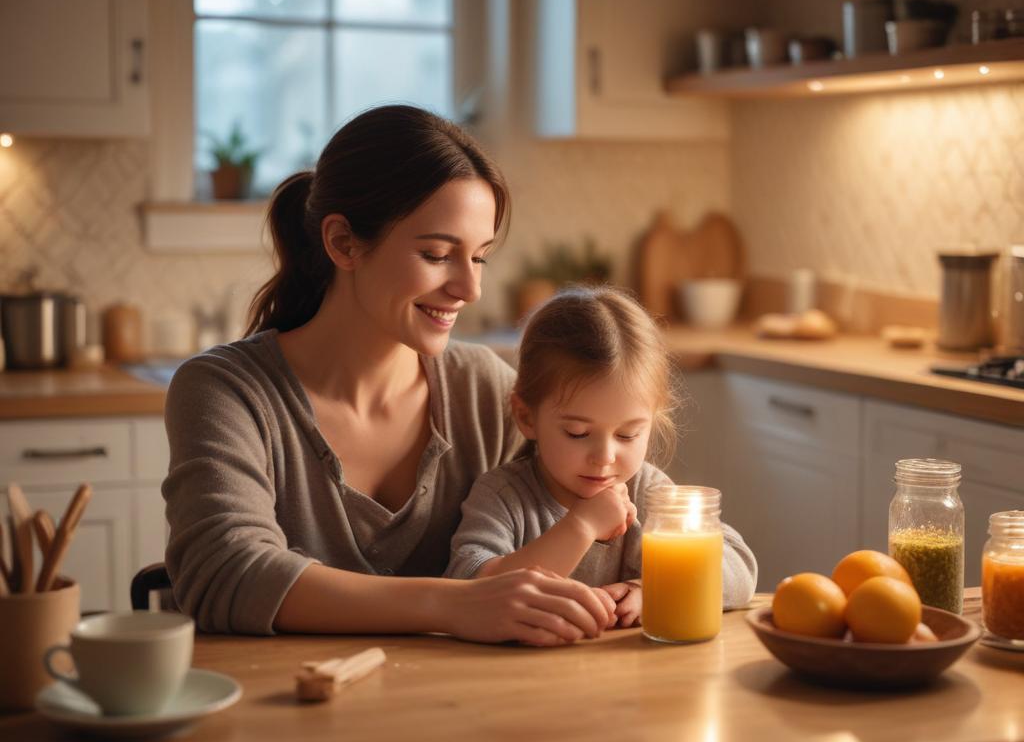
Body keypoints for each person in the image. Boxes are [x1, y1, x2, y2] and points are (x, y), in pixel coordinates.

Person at [162, 105, 615, 644]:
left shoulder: (487, 392)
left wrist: (639, 584)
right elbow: (225, 572)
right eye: (437, 254)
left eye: (480, 258)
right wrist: (455, 605)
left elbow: (607, 503)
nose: (469, 290)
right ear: (343, 243)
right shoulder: (226, 392)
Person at [445, 286, 757, 625]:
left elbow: (739, 568)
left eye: (628, 434)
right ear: (527, 417)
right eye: (578, 433)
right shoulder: (503, 497)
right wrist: (581, 526)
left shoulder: (649, 493)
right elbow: (468, 589)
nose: (605, 457)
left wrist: (655, 590)